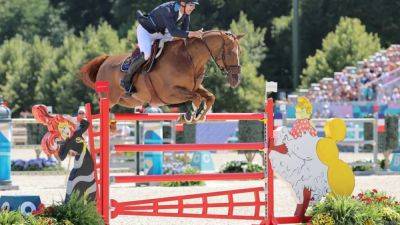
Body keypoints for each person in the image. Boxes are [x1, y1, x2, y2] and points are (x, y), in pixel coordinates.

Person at [121, 0, 204, 96]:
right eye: (191, 5)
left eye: (193, 5)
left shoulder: (186, 13)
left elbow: (184, 32)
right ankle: (126, 80)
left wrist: (196, 37)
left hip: (162, 33)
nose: (193, 8)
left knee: (172, 48)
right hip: (147, 32)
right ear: (182, 3)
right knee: (147, 55)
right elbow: (174, 32)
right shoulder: (167, 9)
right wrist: (193, 33)